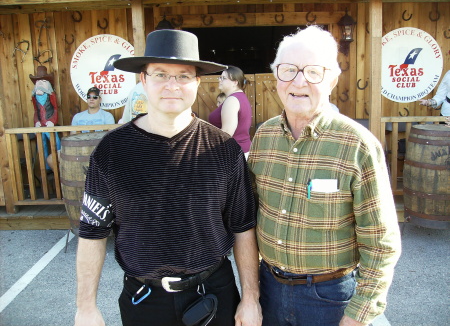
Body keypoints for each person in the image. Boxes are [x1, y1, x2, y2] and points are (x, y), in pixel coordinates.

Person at [74, 29, 262, 326]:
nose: (172, 85)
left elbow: (243, 228)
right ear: (144, 80)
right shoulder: (110, 151)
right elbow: (92, 234)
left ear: (197, 82)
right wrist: (86, 307)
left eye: (184, 76)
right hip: (143, 301)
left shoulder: (224, 150)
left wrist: (251, 298)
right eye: (161, 74)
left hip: (213, 294)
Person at [248, 26, 401, 326]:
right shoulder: (263, 137)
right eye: (288, 70)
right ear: (276, 77)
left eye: (313, 71)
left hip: (330, 299)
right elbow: (250, 217)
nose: (299, 81)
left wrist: (358, 315)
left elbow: (381, 244)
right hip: (269, 290)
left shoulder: (357, 145)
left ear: (332, 79)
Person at [209, 66, 252, 158]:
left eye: (223, 78)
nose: (220, 80)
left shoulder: (232, 100)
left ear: (235, 82)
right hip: (239, 151)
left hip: (232, 154)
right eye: (220, 77)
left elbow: (227, 133)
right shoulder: (240, 97)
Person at [30, 66, 61, 171]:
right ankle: (46, 167)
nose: (39, 83)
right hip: (40, 125)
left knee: (56, 142)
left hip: (49, 124)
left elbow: (55, 109)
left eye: (43, 81)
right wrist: (36, 122)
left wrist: (52, 121)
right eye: (37, 81)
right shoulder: (34, 98)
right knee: (41, 145)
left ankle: (58, 163)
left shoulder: (51, 96)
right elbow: (35, 111)